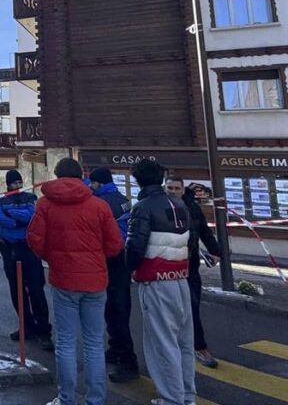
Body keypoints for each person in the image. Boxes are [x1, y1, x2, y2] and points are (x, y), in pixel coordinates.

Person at [27, 158, 124, 405]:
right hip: (95, 280)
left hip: (63, 279)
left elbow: (35, 240)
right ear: (82, 175)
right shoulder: (99, 205)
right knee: (94, 344)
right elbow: (115, 244)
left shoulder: (45, 204)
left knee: (66, 343)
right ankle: (96, 400)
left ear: (57, 175)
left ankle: (66, 398)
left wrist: (52, 257)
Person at [126, 160, 194, 405]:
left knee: (162, 343)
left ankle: (171, 399)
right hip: (180, 277)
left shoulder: (142, 207)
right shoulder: (179, 204)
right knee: (183, 341)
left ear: (137, 180)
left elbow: (135, 245)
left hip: (155, 279)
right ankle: (187, 396)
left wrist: (129, 268)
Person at [0, 169, 53, 350]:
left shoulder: (30, 198)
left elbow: (32, 215)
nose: (17, 186)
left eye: (19, 182)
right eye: (14, 183)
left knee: (36, 290)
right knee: (17, 290)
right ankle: (26, 326)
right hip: (9, 248)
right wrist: (20, 221)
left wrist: (13, 216)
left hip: (29, 248)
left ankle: (43, 331)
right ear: (8, 184)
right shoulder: (0, 200)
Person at [88, 167, 139, 382]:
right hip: (122, 258)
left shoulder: (102, 203)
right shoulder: (120, 197)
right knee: (115, 307)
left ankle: (128, 362)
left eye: (92, 183)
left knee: (116, 309)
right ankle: (115, 348)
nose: (90, 186)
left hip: (112, 258)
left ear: (98, 183)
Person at [165, 176, 221, 368]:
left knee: (192, 306)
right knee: (169, 309)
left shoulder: (192, 207)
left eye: (176, 188)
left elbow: (204, 231)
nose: (172, 191)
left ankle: (199, 346)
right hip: (167, 266)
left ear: (183, 190)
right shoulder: (160, 206)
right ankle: (174, 346)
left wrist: (215, 251)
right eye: (169, 188)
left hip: (190, 265)